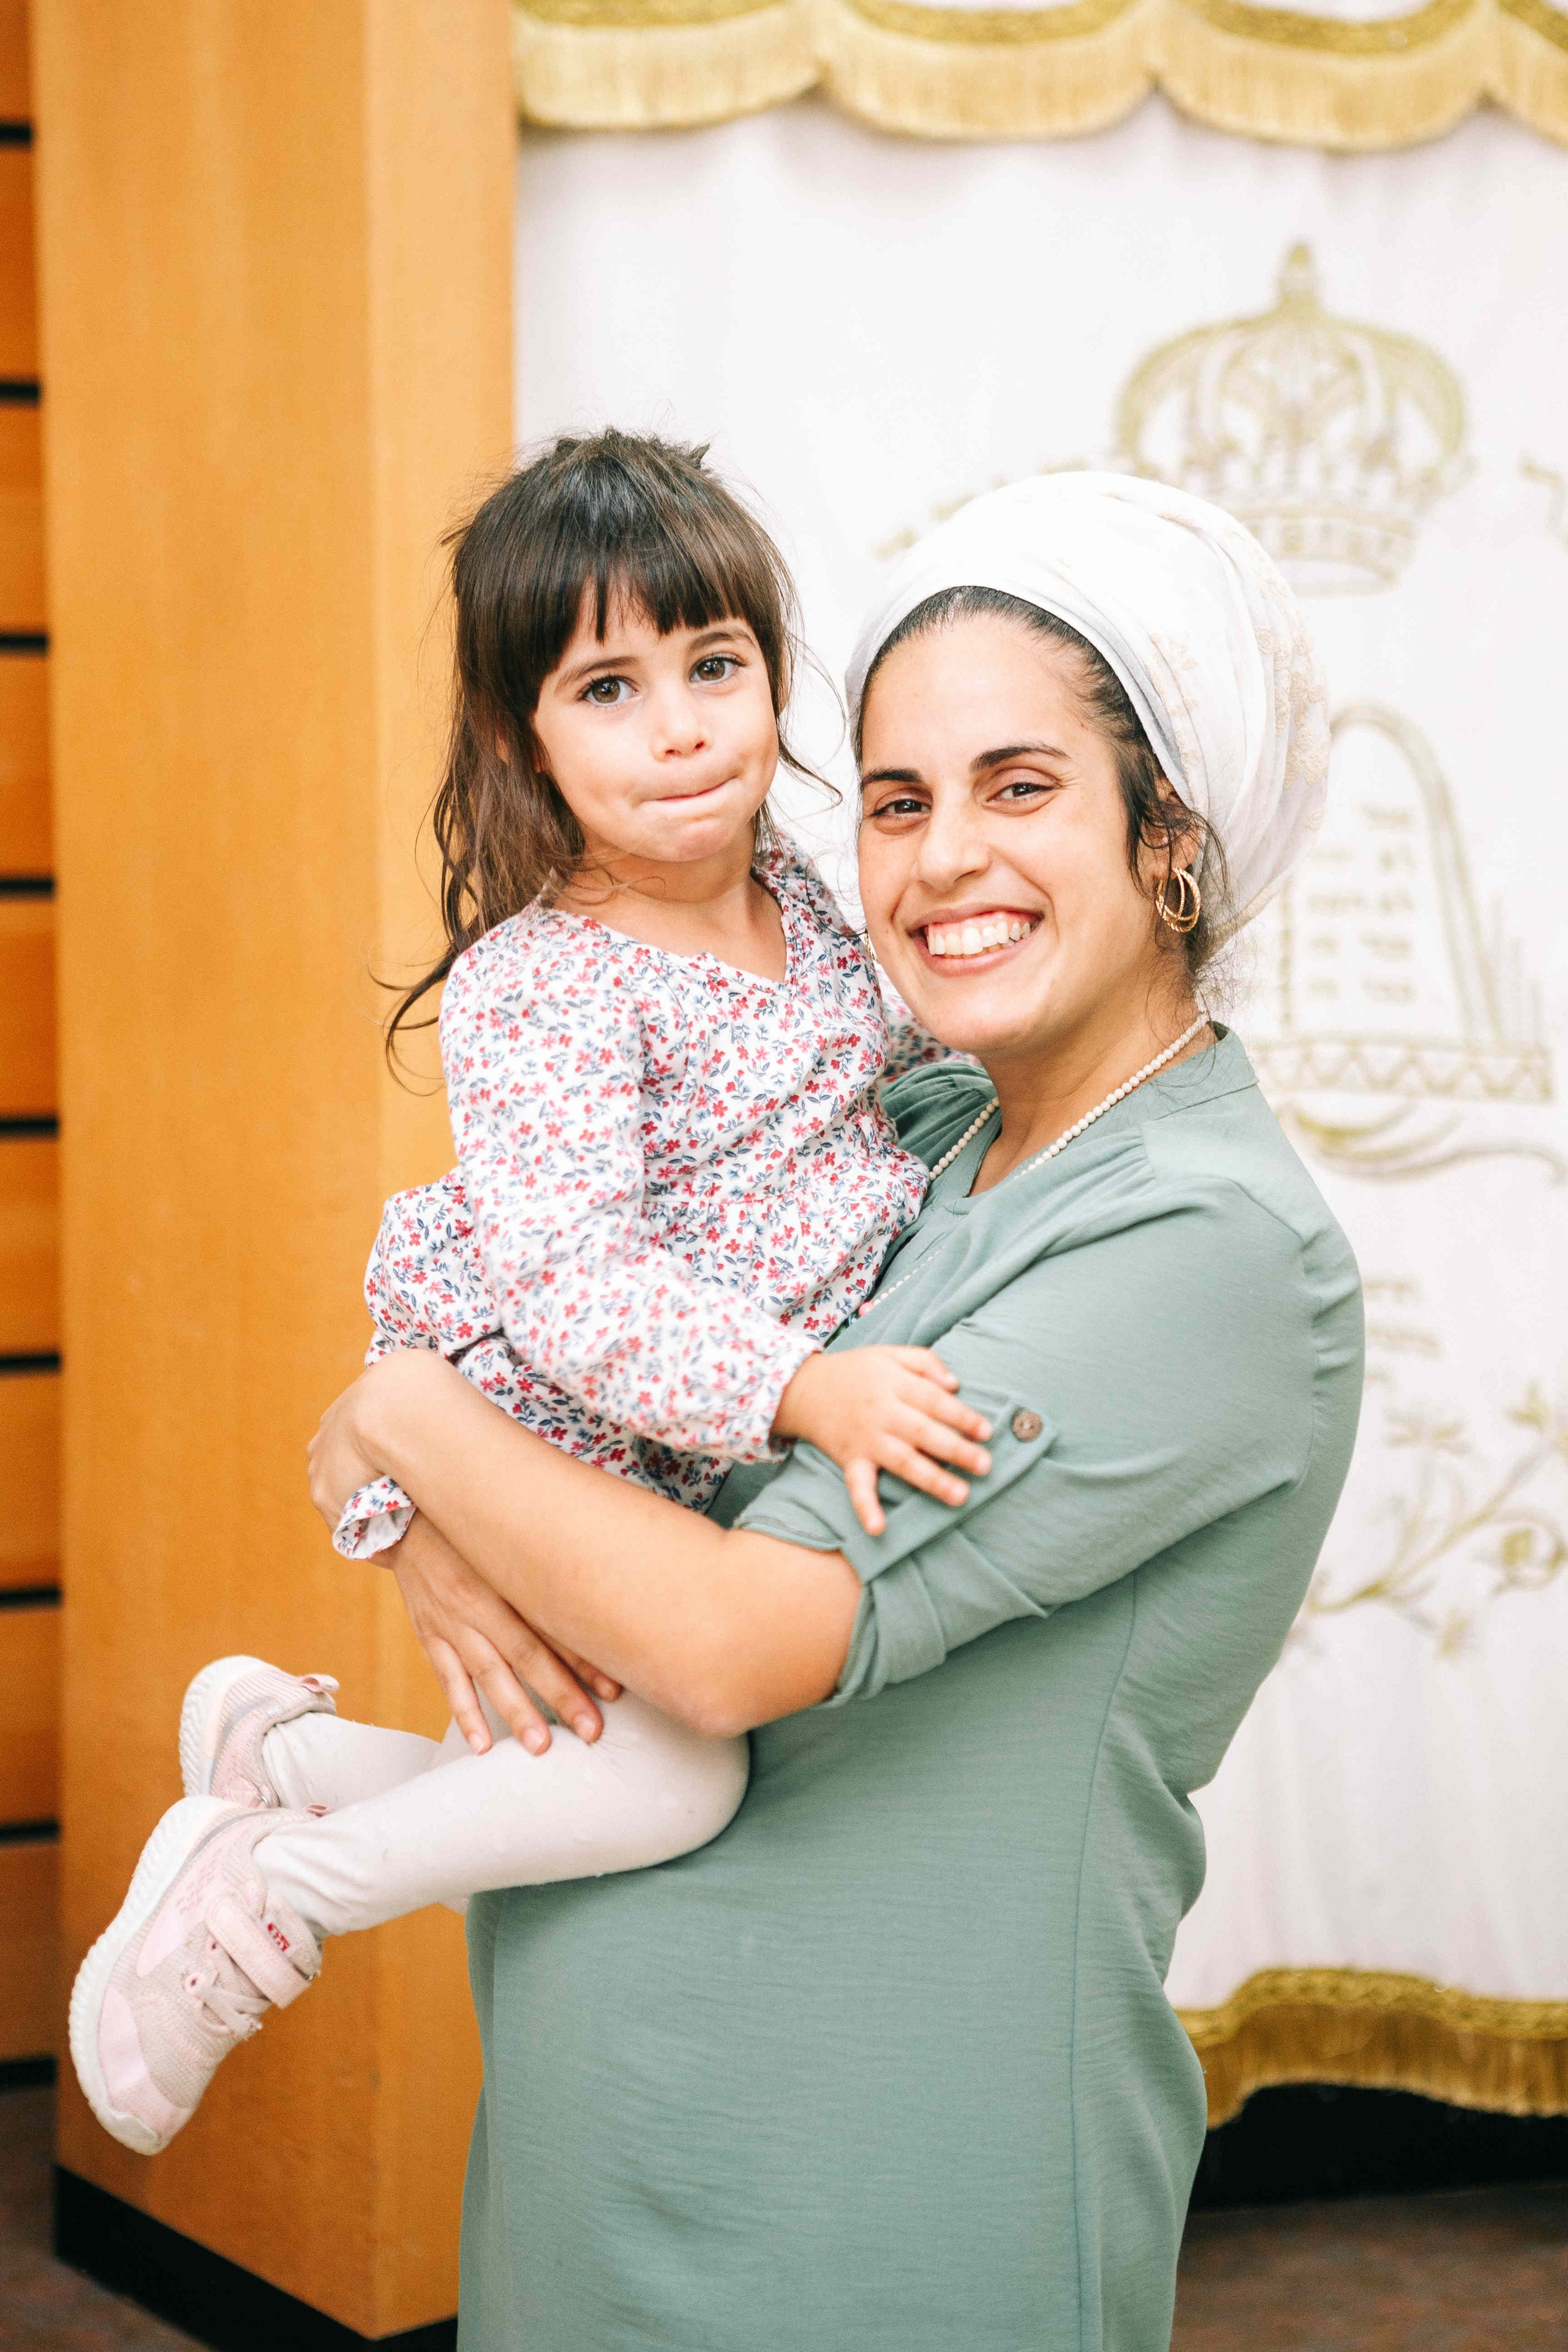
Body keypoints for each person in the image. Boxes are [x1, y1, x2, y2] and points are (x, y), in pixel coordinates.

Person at [301, 471, 1362, 2351]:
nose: (939, 859)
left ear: (1171, 838)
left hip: (871, 2195)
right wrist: (410, 1475)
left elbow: (713, 1639)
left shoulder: (1202, 1243)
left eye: (1018, 788)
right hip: (606, 2142)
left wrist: (400, 1424)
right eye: (895, 800)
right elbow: (542, 1296)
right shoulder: (918, 1131)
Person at [68, 431, 990, 2160]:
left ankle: (288, 1762)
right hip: (553, 1432)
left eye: (716, 667)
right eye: (609, 688)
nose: (684, 727)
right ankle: (273, 1885)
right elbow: (571, 1294)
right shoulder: (544, 984)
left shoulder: (806, 897)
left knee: (596, 1770)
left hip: (661, 1453)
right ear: (521, 738)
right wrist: (802, 1388)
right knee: (676, 1777)